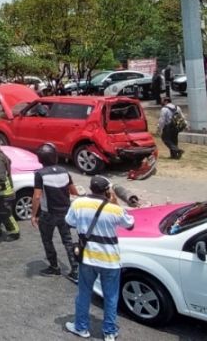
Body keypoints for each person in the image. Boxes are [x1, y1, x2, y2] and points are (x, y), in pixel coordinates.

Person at [65, 175, 134, 340]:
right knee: (111, 296)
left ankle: (81, 327)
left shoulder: (78, 203)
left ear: (91, 188)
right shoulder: (114, 209)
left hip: (88, 258)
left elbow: (69, 222)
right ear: (107, 191)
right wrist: (115, 201)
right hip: (110, 261)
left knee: (84, 293)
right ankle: (109, 332)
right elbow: (130, 224)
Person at [31, 143, 79, 281]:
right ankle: (75, 270)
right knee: (68, 241)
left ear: (40, 159)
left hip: (48, 214)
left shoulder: (40, 174)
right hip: (65, 212)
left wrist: (33, 215)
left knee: (47, 240)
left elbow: (37, 196)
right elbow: (73, 191)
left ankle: (54, 267)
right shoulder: (64, 171)